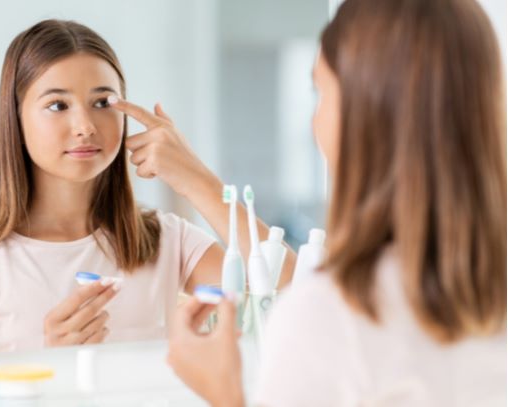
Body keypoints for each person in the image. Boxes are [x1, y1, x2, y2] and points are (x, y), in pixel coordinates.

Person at [167, 0, 507, 405]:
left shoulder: (334, 316)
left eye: (322, 92)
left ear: (367, 115)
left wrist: (223, 392)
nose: (315, 122)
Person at [0, 19, 296, 352]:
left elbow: (289, 284)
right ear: (16, 117)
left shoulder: (162, 239)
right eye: (58, 105)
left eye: (102, 102)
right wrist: (48, 356)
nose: (85, 125)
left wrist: (194, 177)